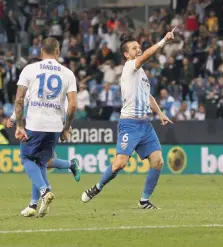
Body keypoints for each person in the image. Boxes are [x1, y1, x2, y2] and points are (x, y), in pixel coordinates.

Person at [81, 27, 175, 209]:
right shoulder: (130, 67)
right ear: (126, 54)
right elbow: (147, 55)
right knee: (119, 164)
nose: (138, 49)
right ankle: (97, 187)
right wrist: (163, 41)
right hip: (129, 124)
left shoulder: (142, 75)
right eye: (134, 48)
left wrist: (160, 114)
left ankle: (144, 200)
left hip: (145, 125)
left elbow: (148, 97)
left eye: (139, 46)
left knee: (158, 161)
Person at [5, 58, 81, 217]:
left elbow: (21, 101)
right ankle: (34, 203)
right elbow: (24, 103)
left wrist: (15, 121)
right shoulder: (62, 75)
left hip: (37, 126)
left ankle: (43, 193)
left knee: (31, 160)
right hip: (53, 127)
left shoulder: (33, 79)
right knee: (41, 163)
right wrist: (12, 118)